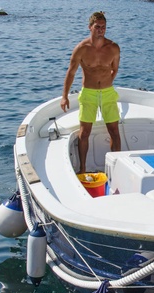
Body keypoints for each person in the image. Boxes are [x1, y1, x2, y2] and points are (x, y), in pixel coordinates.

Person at [61, 11, 121, 174]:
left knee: (114, 131)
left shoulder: (113, 48)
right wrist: (64, 96)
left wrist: (106, 83)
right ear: (90, 27)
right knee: (85, 132)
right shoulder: (81, 49)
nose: (101, 30)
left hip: (108, 93)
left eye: (103, 27)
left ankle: (116, 168)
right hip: (88, 93)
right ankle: (82, 169)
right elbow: (71, 73)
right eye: (97, 27)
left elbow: (114, 69)